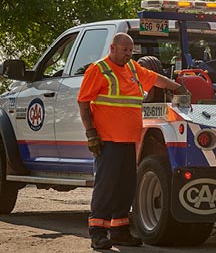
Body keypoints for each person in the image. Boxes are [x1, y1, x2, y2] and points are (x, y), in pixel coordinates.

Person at [78, 33, 188, 250]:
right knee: (106, 188)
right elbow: (83, 103)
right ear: (113, 47)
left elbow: (156, 78)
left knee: (126, 188)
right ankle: (97, 233)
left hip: (129, 140)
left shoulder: (133, 69)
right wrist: (91, 133)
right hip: (107, 141)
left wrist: (176, 87)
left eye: (131, 50)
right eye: (124, 50)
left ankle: (119, 231)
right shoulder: (98, 69)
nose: (128, 54)